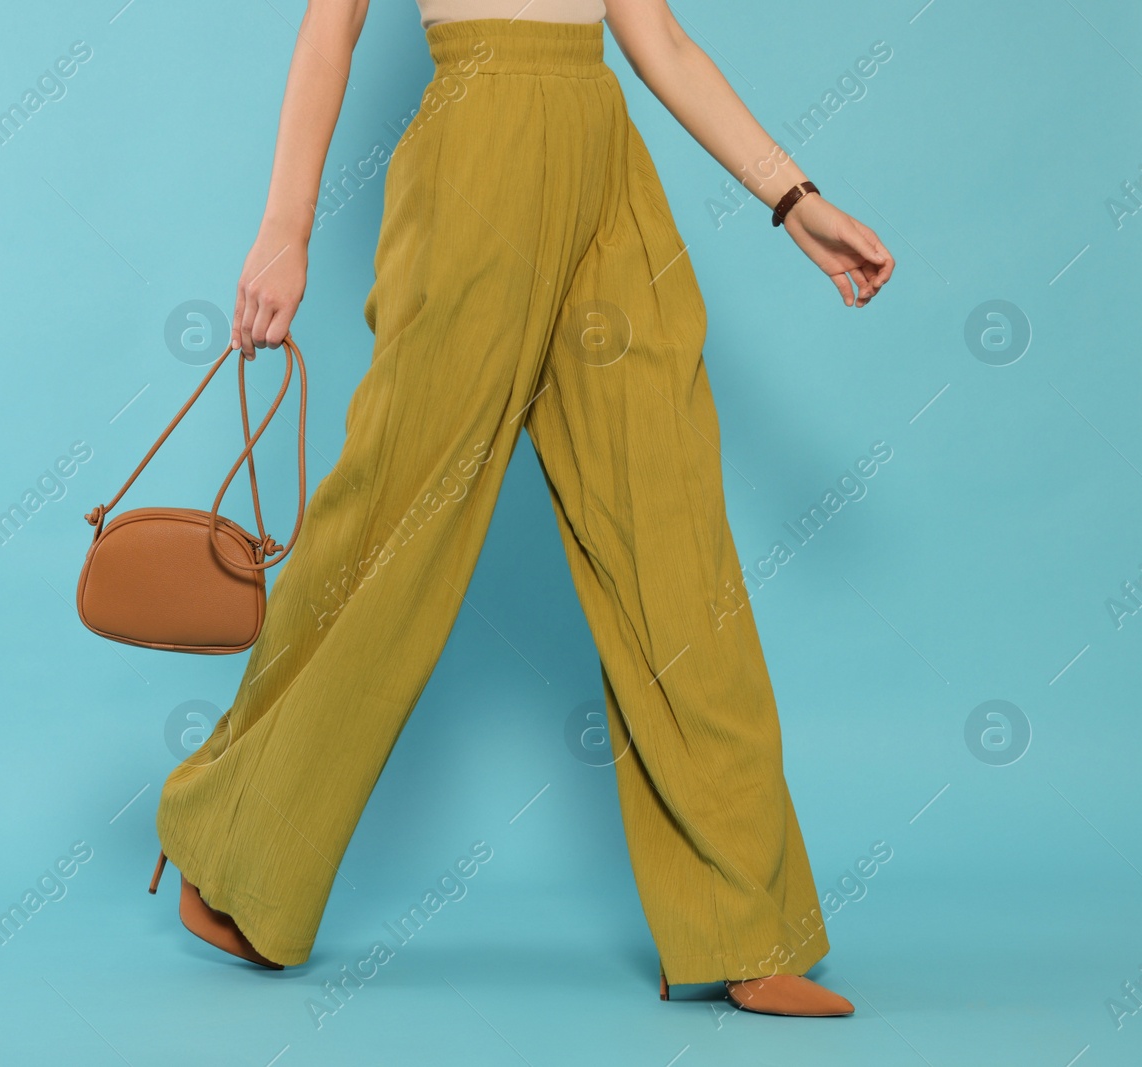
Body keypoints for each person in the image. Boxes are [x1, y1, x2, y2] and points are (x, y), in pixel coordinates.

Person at [147, 0, 894, 1018]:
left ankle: (743, 922)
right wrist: (286, 226)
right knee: (392, 525)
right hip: (472, 155)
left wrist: (792, 196)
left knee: (670, 530)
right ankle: (229, 849)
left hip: (604, 171)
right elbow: (329, 30)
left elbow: (659, 41)